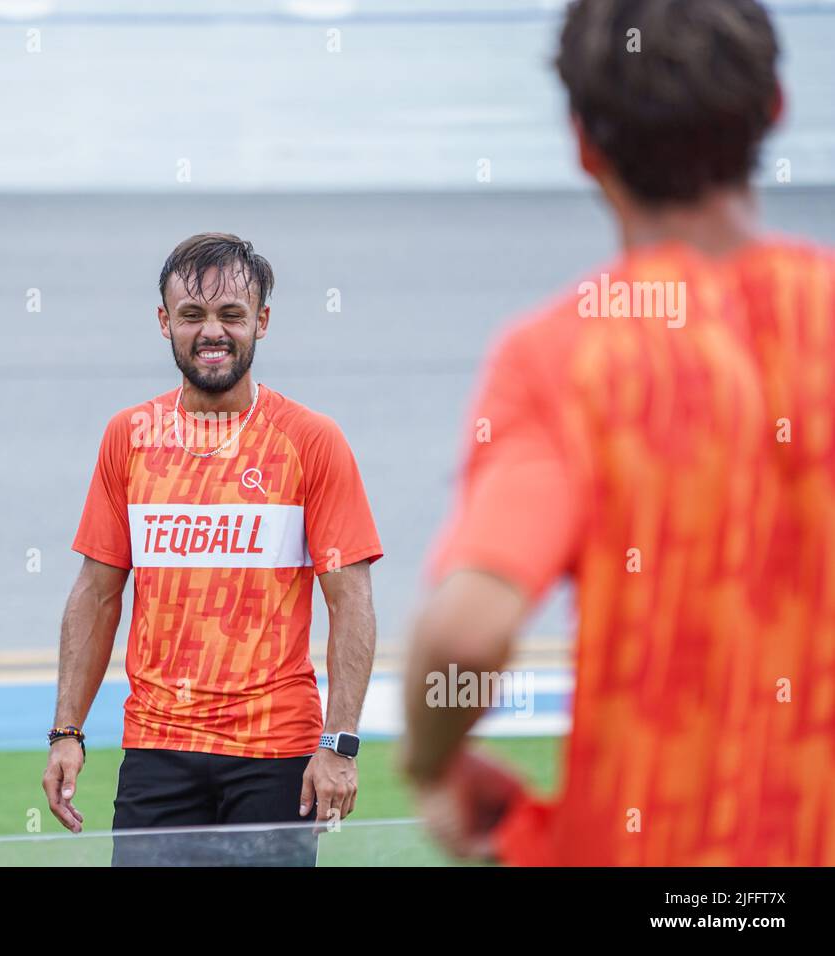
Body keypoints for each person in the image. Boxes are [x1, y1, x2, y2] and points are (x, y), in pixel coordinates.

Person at [401, 0, 835, 865]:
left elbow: (465, 633)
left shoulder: (564, 358)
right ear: (776, 107)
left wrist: (432, 766)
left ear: (583, 143)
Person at [43, 233, 383, 866]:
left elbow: (352, 602)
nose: (212, 332)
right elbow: (95, 594)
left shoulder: (311, 441)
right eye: (193, 315)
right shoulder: (129, 437)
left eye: (231, 314)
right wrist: (67, 732)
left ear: (262, 320)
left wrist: (339, 744)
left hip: (275, 753)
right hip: (156, 751)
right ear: (164, 321)